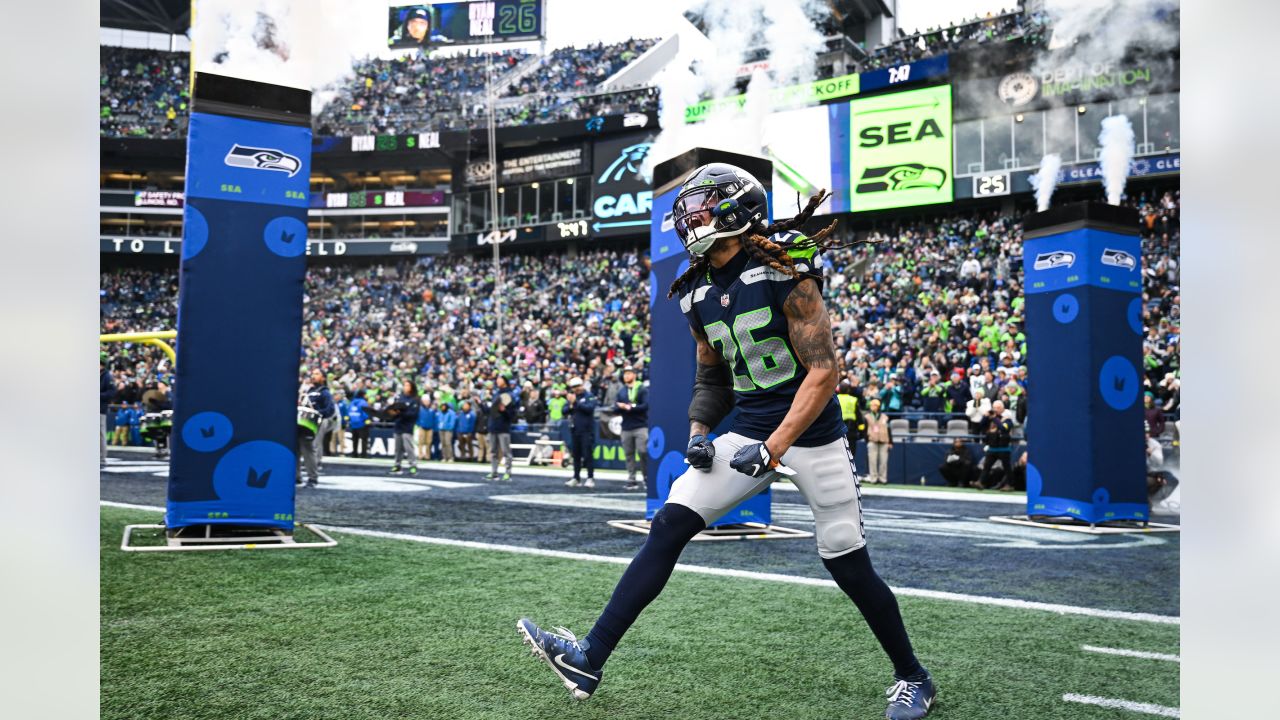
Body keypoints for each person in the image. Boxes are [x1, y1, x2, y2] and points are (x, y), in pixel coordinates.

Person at [518, 166, 935, 720]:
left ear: (738, 210)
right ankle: (588, 656)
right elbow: (712, 377)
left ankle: (914, 676)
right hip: (748, 429)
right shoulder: (694, 292)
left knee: (846, 561)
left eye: (704, 205)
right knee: (668, 524)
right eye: (688, 208)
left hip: (812, 434)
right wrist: (697, 433)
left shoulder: (784, 271)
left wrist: (774, 447)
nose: (691, 217)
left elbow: (823, 373)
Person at [299, 369, 337, 487]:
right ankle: (296, 477)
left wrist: (316, 413)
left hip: (317, 421)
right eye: (313, 373)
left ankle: (312, 478)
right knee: (297, 447)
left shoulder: (324, 392)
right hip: (303, 421)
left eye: (316, 374)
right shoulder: (309, 391)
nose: (313, 375)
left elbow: (330, 410)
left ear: (323, 378)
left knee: (311, 448)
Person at [615, 367, 649, 491]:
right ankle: (631, 479)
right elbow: (615, 408)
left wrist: (630, 408)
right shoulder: (622, 391)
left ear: (634, 375)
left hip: (640, 426)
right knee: (629, 455)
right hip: (626, 427)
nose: (626, 376)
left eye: (628, 373)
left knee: (643, 452)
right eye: (625, 374)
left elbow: (645, 405)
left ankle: (646, 478)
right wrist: (622, 407)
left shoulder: (641, 389)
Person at [564, 377, 598, 488]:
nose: (576, 389)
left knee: (588, 455)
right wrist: (570, 404)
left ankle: (590, 477)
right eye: (574, 387)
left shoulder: (589, 396)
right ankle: (576, 477)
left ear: (582, 385)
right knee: (576, 455)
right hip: (575, 429)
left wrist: (576, 403)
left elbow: (589, 408)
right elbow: (564, 411)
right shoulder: (571, 398)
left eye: (578, 386)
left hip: (586, 430)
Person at [973, 400, 1014, 490]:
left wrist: (995, 418)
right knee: (986, 466)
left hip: (1004, 448)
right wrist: (985, 416)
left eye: (998, 408)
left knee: (1007, 468)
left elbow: (1003, 428)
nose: (995, 409)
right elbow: (981, 425)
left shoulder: (1008, 420)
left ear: (1002, 408)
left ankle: (1010, 485)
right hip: (992, 448)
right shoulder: (990, 419)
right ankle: (980, 482)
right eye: (994, 407)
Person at [484, 386, 517, 481]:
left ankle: (508, 473)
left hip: (503, 429)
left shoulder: (509, 402)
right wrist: (482, 404)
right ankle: (494, 472)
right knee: (493, 452)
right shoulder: (493, 404)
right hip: (493, 428)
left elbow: (512, 416)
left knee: (506, 452)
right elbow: (487, 412)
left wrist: (504, 411)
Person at [389, 380, 420, 475]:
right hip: (398, 425)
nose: (405, 387)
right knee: (398, 448)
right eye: (404, 385)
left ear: (412, 387)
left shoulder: (415, 399)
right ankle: (397, 465)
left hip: (408, 425)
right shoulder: (399, 397)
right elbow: (393, 410)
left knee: (408, 447)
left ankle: (413, 465)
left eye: (407, 385)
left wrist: (401, 412)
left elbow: (413, 413)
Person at [864, 397, 893, 484]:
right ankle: (873, 478)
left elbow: (889, 430)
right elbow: (864, 430)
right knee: (872, 461)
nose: (873, 407)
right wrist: (867, 440)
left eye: (875, 405)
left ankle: (882, 478)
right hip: (872, 441)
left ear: (879, 406)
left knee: (883, 462)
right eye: (872, 405)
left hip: (884, 441)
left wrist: (891, 441)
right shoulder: (867, 417)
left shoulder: (885, 417)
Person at [836, 381, 862, 448]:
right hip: (851, 428)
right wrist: (861, 429)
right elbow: (858, 415)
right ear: (848, 390)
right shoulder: (853, 399)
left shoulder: (836, 399)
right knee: (851, 451)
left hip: (837, 428)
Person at [100, 359, 115, 465]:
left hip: (100, 408)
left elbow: (111, 392)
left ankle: (102, 456)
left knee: (100, 433)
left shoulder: (107, 376)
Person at [348, 389, 371, 458]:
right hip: (362, 424)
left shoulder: (352, 402)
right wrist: (367, 420)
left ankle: (354, 454)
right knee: (364, 440)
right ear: (363, 395)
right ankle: (363, 454)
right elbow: (365, 413)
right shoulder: (363, 402)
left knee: (355, 440)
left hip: (353, 424)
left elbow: (349, 412)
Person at [416, 394, 437, 462]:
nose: (426, 402)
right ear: (422, 401)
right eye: (425, 401)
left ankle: (427, 455)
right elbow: (416, 418)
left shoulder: (432, 409)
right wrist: (419, 424)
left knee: (429, 442)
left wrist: (433, 426)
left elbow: (434, 418)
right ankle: (420, 455)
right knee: (421, 442)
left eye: (427, 401)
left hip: (430, 428)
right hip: (422, 427)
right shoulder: (420, 409)